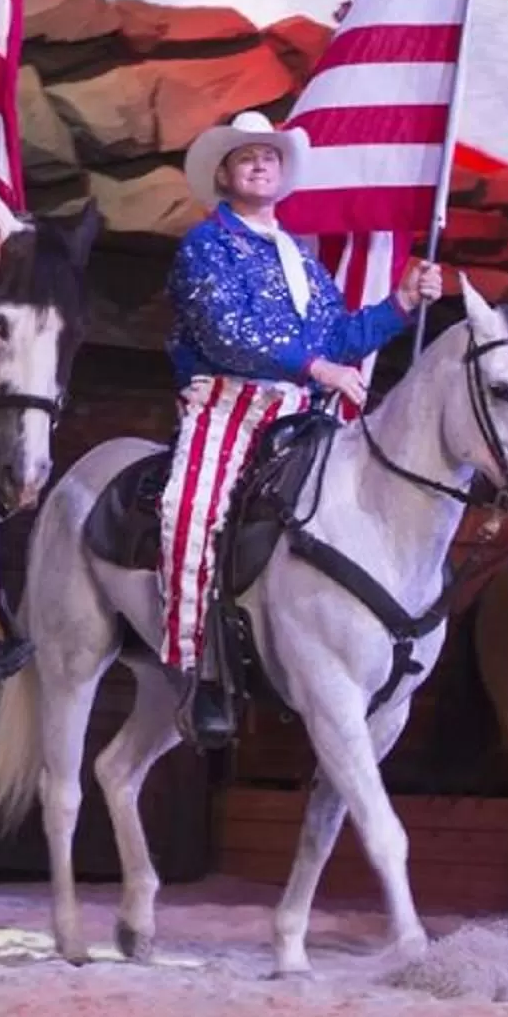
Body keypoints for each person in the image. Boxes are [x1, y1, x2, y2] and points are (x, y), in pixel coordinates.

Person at [159, 111, 440, 742]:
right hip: (229, 403)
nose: (260, 164)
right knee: (192, 510)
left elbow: (339, 336)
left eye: (270, 157)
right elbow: (223, 333)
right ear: (225, 175)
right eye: (247, 157)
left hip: (301, 411)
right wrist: (319, 367)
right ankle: (199, 668)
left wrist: (402, 302)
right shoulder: (206, 245)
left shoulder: (302, 261)